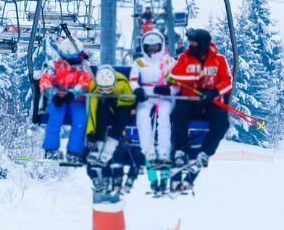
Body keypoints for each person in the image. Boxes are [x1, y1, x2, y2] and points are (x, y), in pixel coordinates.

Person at [169, 28, 234, 169]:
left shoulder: (219, 60)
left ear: (203, 44)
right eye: (190, 43)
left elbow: (227, 81)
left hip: (210, 101)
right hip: (189, 100)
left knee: (222, 122)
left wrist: (214, 92)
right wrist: (193, 80)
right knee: (177, 115)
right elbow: (175, 77)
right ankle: (181, 150)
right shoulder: (184, 59)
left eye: (194, 44)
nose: (190, 46)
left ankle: (205, 152)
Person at [84, 65, 140, 193]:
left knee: (122, 119)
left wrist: (115, 101)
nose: (105, 91)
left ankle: (107, 152)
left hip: (121, 106)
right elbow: (91, 110)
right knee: (101, 112)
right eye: (102, 90)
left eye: (109, 89)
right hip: (104, 106)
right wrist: (90, 132)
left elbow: (130, 100)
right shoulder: (94, 85)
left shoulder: (121, 81)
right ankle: (97, 147)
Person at [38, 35, 94, 163]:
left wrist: (73, 93)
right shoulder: (54, 65)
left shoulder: (83, 66)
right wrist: (53, 94)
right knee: (55, 119)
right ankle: (51, 150)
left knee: (80, 120)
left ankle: (74, 152)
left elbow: (86, 82)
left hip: (76, 100)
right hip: (58, 99)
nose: (77, 59)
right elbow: (45, 80)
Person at [129, 31, 175, 168]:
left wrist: (169, 89)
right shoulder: (139, 62)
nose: (152, 50)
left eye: (155, 46)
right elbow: (133, 80)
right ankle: (149, 153)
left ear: (161, 45)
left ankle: (163, 153)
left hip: (163, 94)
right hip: (146, 93)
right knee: (142, 116)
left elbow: (177, 80)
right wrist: (137, 89)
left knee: (163, 116)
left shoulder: (169, 61)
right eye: (149, 47)